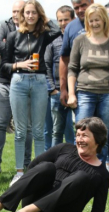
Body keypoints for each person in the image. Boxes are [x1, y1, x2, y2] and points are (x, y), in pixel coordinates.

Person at [0, 117, 109, 212]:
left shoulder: (102, 175)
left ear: (98, 140)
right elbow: (33, 168)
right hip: (30, 203)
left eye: (84, 136)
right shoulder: (64, 148)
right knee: (46, 167)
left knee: (81, 176)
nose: (79, 140)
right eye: (78, 135)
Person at [0, 0, 61, 186]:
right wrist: (20, 65)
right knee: (20, 131)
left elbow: (58, 31)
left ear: (39, 14)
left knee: (38, 131)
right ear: (21, 14)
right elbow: (3, 66)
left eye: (34, 12)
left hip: (40, 81)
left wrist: (45, 20)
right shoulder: (12, 36)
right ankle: (19, 172)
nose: (30, 16)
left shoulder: (44, 34)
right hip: (18, 81)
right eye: (27, 12)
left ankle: (39, 171)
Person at [67, 4, 109, 185]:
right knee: (82, 132)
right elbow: (72, 69)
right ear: (87, 22)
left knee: (103, 133)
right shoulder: (80, 41)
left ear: (104, 20)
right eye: (91, 20)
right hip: (85, 91)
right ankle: (79, 170)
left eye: (97, 20)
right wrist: (71, 93)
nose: (94, 23)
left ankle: (99, 173)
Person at [0, 0, 33, 174]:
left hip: (26, 82)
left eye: (19, 11)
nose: (15, 14)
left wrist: (10, 48)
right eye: (13, 11)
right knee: (0, 124)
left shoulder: (33, 27)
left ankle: (27, 162)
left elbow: (34, 49)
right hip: (5, 82)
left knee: (26, 126)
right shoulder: (6, 26)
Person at [58, 0, 109, 110]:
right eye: (76, 7)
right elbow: (65, 59)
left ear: (91, 2)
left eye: (83, 5)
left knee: (105, 126)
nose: (80, 10)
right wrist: (64, 89)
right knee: (84, 125)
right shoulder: (71, 27)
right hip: (83, 90)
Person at [45, 5, 76, 148]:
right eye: (60, 20)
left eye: (66, 20)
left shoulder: (79, 39)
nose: (63, 23)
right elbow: (46, 66)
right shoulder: (53, 42)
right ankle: (55, 161)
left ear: (73, 19)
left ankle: (74, 160)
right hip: (57, 91)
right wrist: (52, 89)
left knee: (74, 129)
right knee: (56, 131)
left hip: (77, 91)